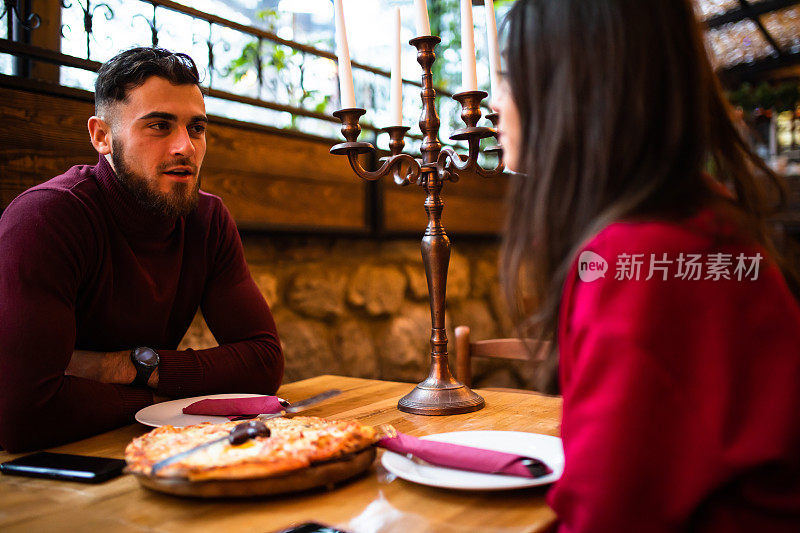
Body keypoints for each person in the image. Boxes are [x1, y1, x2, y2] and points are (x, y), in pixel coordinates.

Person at [493, 0, 800, 531]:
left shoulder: (637, 266)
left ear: (569, 87)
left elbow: (603, 518)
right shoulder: (697, 229)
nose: (495, 104)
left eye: (506, 76)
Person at [0, 48, 283, 452]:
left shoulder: (208, 219)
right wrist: (164, 400)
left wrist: (123, 367)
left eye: (196, 128)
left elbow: (263, 363)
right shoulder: (46, 218)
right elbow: (21, 414)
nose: (185, 146)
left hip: (137, 448)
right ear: (101, 136)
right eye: (159, 126)